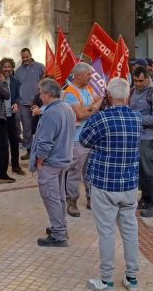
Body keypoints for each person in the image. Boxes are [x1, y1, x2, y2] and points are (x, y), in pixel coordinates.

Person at [80, 78, 142, 291]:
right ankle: (132, 278)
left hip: (104, 183)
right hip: (129, 184)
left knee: (106, 232)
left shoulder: (101, 119)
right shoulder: (137, 117)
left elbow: (84, 141)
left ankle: (106, 281)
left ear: (108, 95)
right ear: (127, 96)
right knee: (130, 230)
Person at [29, 78, 76, 247]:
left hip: (50, 162)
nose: (39, 97)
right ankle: (60, 226)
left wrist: (39, 161)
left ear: (48, 95)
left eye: (41, 93)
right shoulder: (66, 108)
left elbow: (45, 143)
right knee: (59, 197)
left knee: (51, 197)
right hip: (63, 159)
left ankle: (59, 234)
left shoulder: (50, 113)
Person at [63, 62, 103, 217]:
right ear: (78, 75)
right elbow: (80, 115)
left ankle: (90, 198)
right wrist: (93, 108)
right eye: (88, 75)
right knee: (75, 171)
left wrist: (88, 109)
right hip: (77, 138)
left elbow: (99, 99)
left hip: (89, 137)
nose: (90, 77)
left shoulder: (88, 88)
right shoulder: (70, 92)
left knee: (89, 170)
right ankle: (71, 201)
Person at [129, 66, 153, 217]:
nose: (137, 83)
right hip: (136, 138)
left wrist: (137, 119)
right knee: (141, 171)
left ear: (148, 78)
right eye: (135, 80)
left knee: (150, 171)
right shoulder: (132, 92)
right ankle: (145, 198)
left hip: (149, 138)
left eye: (140, 81)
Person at [14, 48, 46, 161]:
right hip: (24, 103)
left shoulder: (40, 67)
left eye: (26, 56)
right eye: (23, 57)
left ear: (31, 55)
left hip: (39, 102)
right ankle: (28, 150)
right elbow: (16, 87)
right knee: (27, 128)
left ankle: (41, 151)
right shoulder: (18, 71)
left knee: (41, 126)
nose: (25, 59)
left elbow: (46, 80)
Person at [0, 58, 25, 175]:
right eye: (4, 67)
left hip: (11, 116)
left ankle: (15, 165)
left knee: (14, 141)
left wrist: (16, 103)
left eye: (9, 67)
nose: (7, 69)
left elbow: (17, 96)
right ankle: (0, 169)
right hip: (0, 116)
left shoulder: (15, 82)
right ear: (1, 68)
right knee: (2, 144)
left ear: (12, 68)